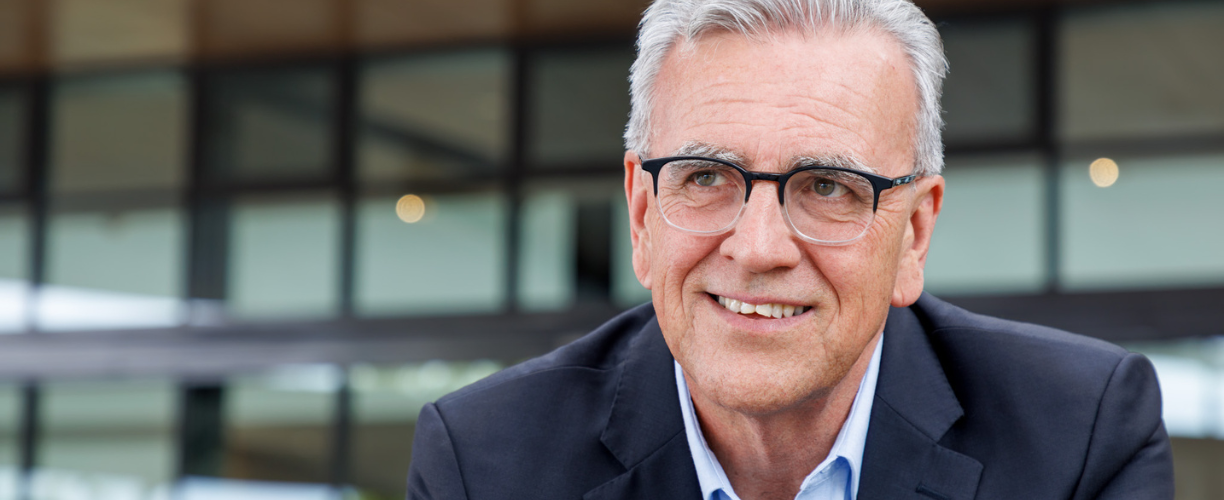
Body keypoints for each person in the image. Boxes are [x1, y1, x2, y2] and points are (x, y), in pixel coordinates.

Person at [407, 0, 1174, 498]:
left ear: (913, 233)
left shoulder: (1082, 435)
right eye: (707, 176)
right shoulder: (483, 463)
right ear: (642, 217)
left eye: (829, 186)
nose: (759, 247)